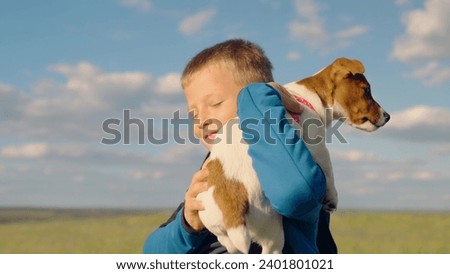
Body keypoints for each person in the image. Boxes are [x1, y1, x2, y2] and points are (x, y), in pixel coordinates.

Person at [143, 39, 337, 254]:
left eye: (215, 104)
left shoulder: (293, 157)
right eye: (193, 115)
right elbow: (152, 252)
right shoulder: (212, 168)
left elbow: (294, 194)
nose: (201, 120)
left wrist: (259, 100)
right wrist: (187, 225)